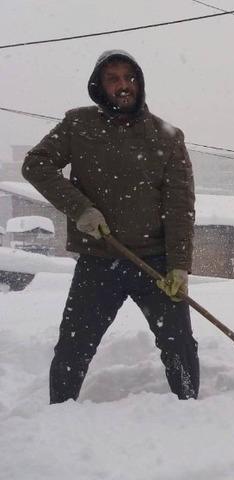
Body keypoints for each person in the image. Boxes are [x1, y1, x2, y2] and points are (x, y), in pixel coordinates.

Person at [22, 50, 199, 403]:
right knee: (74, 344)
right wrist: (80, 209)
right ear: (100, 86)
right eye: (113, 79)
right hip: (99, 260)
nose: (123, 86)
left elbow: (180, 206)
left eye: (129, 78)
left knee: (178, 343)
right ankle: (58, 413)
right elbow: (36, 165)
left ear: (140, 84)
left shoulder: (167, 137)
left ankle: (190, 411)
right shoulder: (78, 125)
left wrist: (179, 265)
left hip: (155, 264)